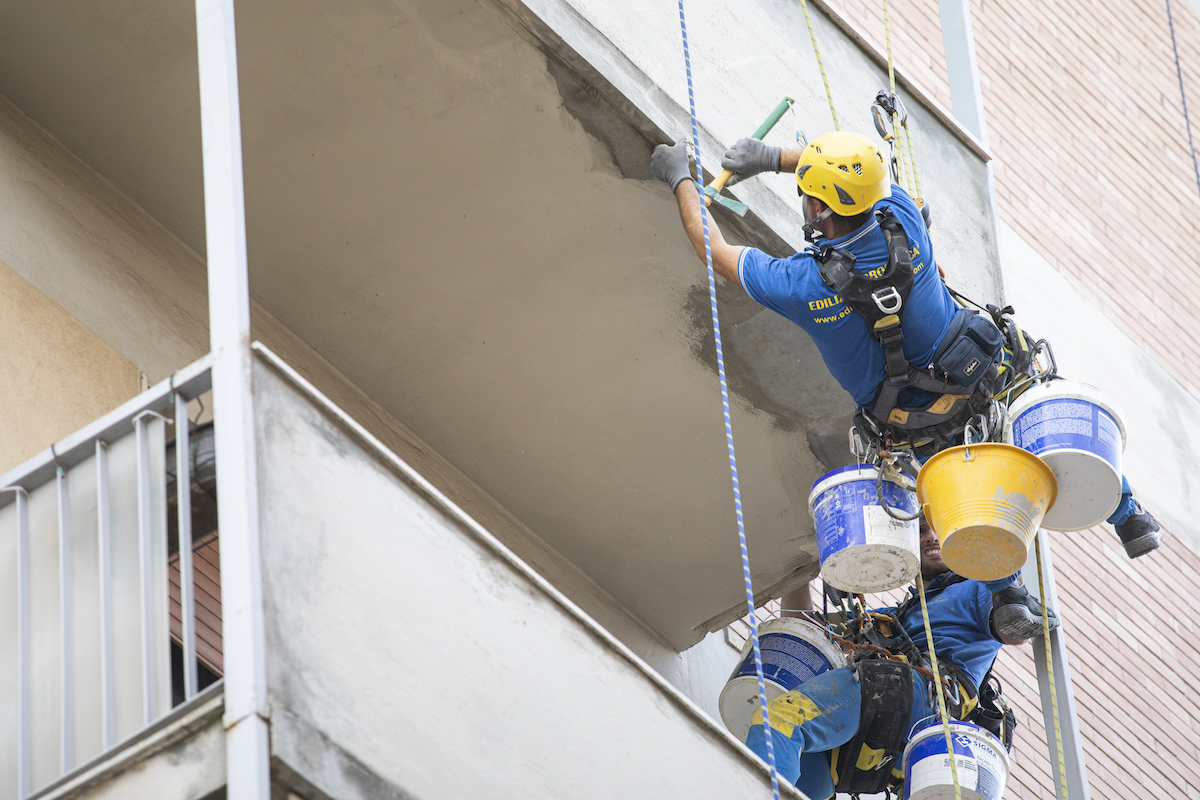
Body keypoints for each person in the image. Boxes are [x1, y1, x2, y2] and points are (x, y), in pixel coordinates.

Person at [648, 132, 1161, 558]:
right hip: (981, 370)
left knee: (970, 499)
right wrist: (777, 158)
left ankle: (1007, 596)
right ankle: (1130, 516)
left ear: (818, 206)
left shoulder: (803, 284)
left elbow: (711, 247)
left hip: (910, 423)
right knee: (1044, 411)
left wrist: (681, 177)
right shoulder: (903, 216)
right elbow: (855, 174)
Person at [743, 519, 1050, 798]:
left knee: (779, 720)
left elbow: (1012, 630)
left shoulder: (975, 588)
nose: (931, 538)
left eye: (939, 531)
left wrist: (1005, 585)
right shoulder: (897, 617)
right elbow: (806, 625)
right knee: (809, 769)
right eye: (920, 532)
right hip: (905, 735)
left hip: (914, 690)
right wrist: (800, 571)